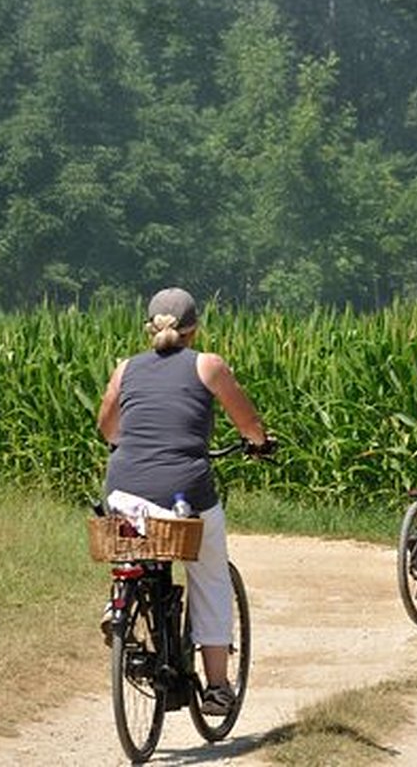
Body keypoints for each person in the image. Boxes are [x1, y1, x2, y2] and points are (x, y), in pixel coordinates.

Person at [97, 287, 271, 716]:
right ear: (195, 329)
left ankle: (120, 601)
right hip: (183, 493)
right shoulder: (207, 365)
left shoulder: (126, 368)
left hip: (123, 488)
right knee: (209, 573)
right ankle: (216, 687)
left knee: (133, 548)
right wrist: (259, 442)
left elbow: (107, 427)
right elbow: (246, 420)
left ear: (148, 327)